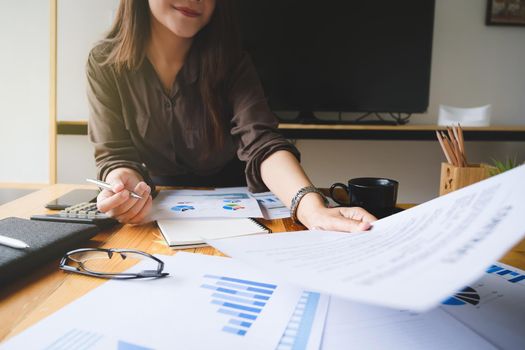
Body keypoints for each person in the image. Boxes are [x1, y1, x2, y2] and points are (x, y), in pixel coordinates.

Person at [87, 0, 376, 232]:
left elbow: (262, 142)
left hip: (244, 205)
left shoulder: (233, 60)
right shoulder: (104, 63)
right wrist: (121, 185)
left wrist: (312, 209)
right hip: (156, 206)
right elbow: (114, 154)